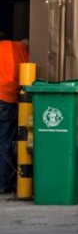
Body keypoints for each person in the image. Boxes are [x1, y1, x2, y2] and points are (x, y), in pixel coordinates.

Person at [0, 32, 29, 194]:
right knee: (5, 142)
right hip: (7, 100)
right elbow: (26, 77)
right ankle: (4, 184)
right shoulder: (20, 49)